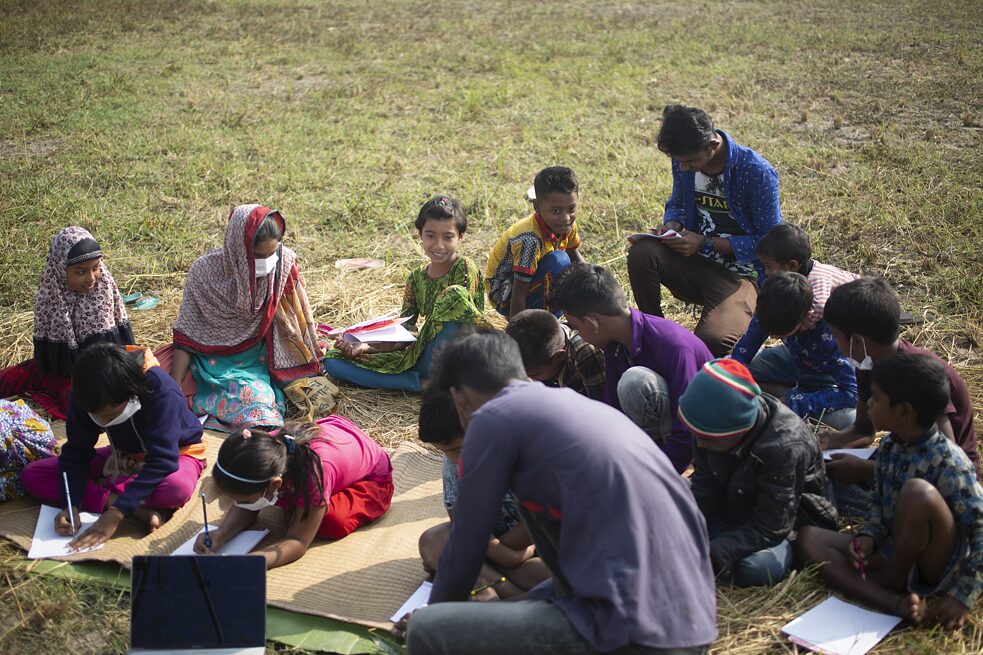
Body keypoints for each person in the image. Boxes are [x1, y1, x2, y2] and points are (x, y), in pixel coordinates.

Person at [397, 330, 717, 655]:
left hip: (636, 632)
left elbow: (464, 549)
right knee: (532, 598)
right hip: (692, 623)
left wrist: (438, 619)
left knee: (426, 631)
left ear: (459, 398)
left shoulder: (491, 418)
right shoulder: (572, 404)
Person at [796, 354, 983, 628]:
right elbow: (877, 504)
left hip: (935, 564)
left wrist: (963, 596)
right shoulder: (890, 448)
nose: (868, 404)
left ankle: (892, 579)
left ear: (904, 412)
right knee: (808, 538)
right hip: (894, 548)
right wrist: (869, 534)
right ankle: (893, 601)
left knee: (918, 492)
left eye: (876, 398)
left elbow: (980, 528)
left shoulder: (950, 462)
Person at [627, 105, 782, 356]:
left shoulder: (756, 172)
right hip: (696, 261)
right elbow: (677, 203)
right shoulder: (685, 161)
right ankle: (654, 333)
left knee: (712, 341)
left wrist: (705, 243)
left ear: (712, 145)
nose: (684, 169)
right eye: (679, 162)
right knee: (642, 252)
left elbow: (772, 243)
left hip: (743, 274)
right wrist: (672, 227)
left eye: (690, 162)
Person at [21, 343, 206, 549]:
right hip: (123, 455)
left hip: (178, 453)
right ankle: (127, 502)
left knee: (175, 488)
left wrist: (116, 515)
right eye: (96, 415)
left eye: (109, 415)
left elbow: (163, 460)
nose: (102, 420)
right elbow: (76, 454)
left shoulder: (162, 391)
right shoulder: (84, 394)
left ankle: (114, 490)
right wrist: (71, 503)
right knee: (34, 475)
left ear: (131, 394)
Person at [818, 277, 978, 515]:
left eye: (836, 335)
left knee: (826, 490)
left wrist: (867, 470)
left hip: (943, 487)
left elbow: (944, 464)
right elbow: (863, 430)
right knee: (821, 470)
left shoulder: (920, 375)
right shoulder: (866, 364)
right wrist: (820, 444)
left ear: (858, 341)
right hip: (902, 457)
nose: (835, 342)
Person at [679, 358, 837, 587]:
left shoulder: (784, 445)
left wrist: (714, 553)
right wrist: (685, 528)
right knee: (670, 494)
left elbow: (773, 525)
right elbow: (705, 485)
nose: (700, 445)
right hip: (733, 508)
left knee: (757, 568)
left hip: (784, 528)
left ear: (737, 430)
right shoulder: (709, 427)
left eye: (708, 439)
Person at [169, 205, 323, 431]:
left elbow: (296, 321)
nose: (268, 262)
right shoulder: (204, 272)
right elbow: (187, 334)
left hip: (255, 358)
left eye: (272, 253)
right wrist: (172, 388)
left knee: (257, 402)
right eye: (259, 256)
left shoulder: (282, 265)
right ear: (237, 250)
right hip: (208, 357)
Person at [550, 264, 713, 473]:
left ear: (592, 322)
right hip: (669, 436)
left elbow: (687, 430)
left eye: (577, 327)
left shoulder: (672, 345)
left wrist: (654, 477)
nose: (578, 334)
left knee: (635, 382)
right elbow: (612, 409)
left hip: (701, 442)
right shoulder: (615, 344)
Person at [323, 195, 486, 392]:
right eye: (431, 235)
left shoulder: (465, 267)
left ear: (461, 237)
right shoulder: (416, 278)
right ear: (420, 235)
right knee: (332, 361)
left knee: (454, 296)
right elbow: (406, 334)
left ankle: (428, 380)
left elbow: (465, 324)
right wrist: (366, 345)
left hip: (459, 355)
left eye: (448, 237)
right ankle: (421, 384)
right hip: (424, 355)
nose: (439, 245)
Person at [195, 415, 393, 569]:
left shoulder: (315, 471)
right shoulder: (267, 449)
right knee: (295, 509)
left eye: (244, 499)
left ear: (276, 484)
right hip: (338, 438)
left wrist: (253, 561)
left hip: (372, 478)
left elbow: (297, 541)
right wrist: (221, 534)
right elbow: (246, 505)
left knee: (330, 522)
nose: (238, 503)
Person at [416, 388, 550, 599]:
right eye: (445, 451)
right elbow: (461, 519)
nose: (452, 459)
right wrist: (504, 556)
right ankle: (510, 594)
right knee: (433, 541)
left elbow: (540, 525)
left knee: (547, 573)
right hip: (487, 547)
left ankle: (488, 586)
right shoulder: (455, 464)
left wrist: (510, 555)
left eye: (459, 449)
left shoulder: (527, 455)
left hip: (537, 547)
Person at [732, 223, 859, 428]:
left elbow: (851, 393)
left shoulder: (827, 329)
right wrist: (733, 369)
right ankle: (790, 392)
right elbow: (754, 335)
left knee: (848, 421)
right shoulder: (777, 291)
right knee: (744, 370)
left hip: (826, 371)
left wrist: (798, 402)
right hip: (796, 358)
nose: (772, 337)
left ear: (803, 321)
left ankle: (794, 395)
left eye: (779, 333)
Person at [0, 227, 134, 419]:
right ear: (60, 269)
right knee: (8, 379)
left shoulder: (101, 291)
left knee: (83, 403)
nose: (91, 278)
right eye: (81, 272)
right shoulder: (51, 294)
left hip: (101, 372)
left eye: (95, 268)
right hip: (59, 371)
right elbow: (47, 359)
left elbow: (109, 357)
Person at [485, 166, 586, 318]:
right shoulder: (530, 239)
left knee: (584, 273)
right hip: (505, 296)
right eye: (556, 211)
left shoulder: (567, 225)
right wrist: (518, 332)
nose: (566, 218)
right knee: (559, 261)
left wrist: (592, 283)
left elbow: (574, 255)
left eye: (571, 209)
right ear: (537, 206)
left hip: (533, 280)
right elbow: (519, 295)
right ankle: (548, 322)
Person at [504, 309, 605, 401]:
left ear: (560, 356)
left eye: (535, 375)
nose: (529, 379)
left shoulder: (583, 352)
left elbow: (600, 402)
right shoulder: (546, 343)